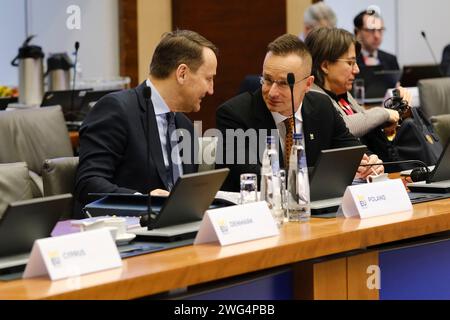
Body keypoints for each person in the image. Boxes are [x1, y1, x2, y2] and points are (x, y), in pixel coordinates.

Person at [216, 34, 383, 192]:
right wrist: (325, 173)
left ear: (308, 84)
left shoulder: (321, 106)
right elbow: (255, 178)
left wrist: (370, 162)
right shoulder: (234, 115)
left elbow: (350, 149)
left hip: (316, 212)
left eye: (283, 83)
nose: (272, 92)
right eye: (267, 80)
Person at [75, 30, 218, 209]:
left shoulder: (185, 126)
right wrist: (142, 200)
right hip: (125, 229)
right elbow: (88, 184)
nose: (211, 90)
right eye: (209, 79)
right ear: (182, 73)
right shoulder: (116, 109)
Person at [305, 27, 401, 138]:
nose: (357, 70)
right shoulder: (313, 98)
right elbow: (346, 127)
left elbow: (364, 121)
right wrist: (384, 113)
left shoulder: (340, 93)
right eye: (350, 63)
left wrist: (390, 118)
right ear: (325, 66)